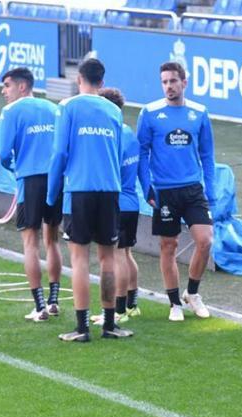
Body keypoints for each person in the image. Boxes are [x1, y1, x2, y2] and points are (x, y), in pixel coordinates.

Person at [46, 57, 133, 342]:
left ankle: (82, 328)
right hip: (110, 190)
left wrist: (51, 193)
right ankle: (109, 324)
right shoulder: (114, 111)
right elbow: (118, 153)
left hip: (80, 190)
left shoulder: (67, 107)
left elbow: (60, 153)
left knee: (80, 258)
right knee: (108, 258)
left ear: (78, 79)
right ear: (102, 82)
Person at [136, 61, 216, 322]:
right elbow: (142, 153)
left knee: (205, 241)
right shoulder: (149, 113)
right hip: (164, 191)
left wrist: (211, 190)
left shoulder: (200, 113)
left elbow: (207, 154)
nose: (168, 86)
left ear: (184, 82)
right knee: (168, 246)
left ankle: (192, 293)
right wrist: (147, 185)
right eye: (164, 82)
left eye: (173, 81)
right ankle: (174, 304)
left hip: (193, 189)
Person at [0, 66, 62, 321]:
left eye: (7, 86)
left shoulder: (11, 111)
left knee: (30, 242)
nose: (4, 92)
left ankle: (39, 307)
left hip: (30, 179)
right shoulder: (54, 108)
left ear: (22, 86)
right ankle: (54, 300)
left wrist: (15, 167)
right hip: (56, 179)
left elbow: (3, 154)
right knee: (53, 239)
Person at [93, 87, 142, 325]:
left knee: (117, 255)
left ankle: (118, 310)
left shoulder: (111, 136)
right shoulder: (129, 133)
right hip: (132, 203)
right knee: (128, 253)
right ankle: (132, 305)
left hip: (117, 202)